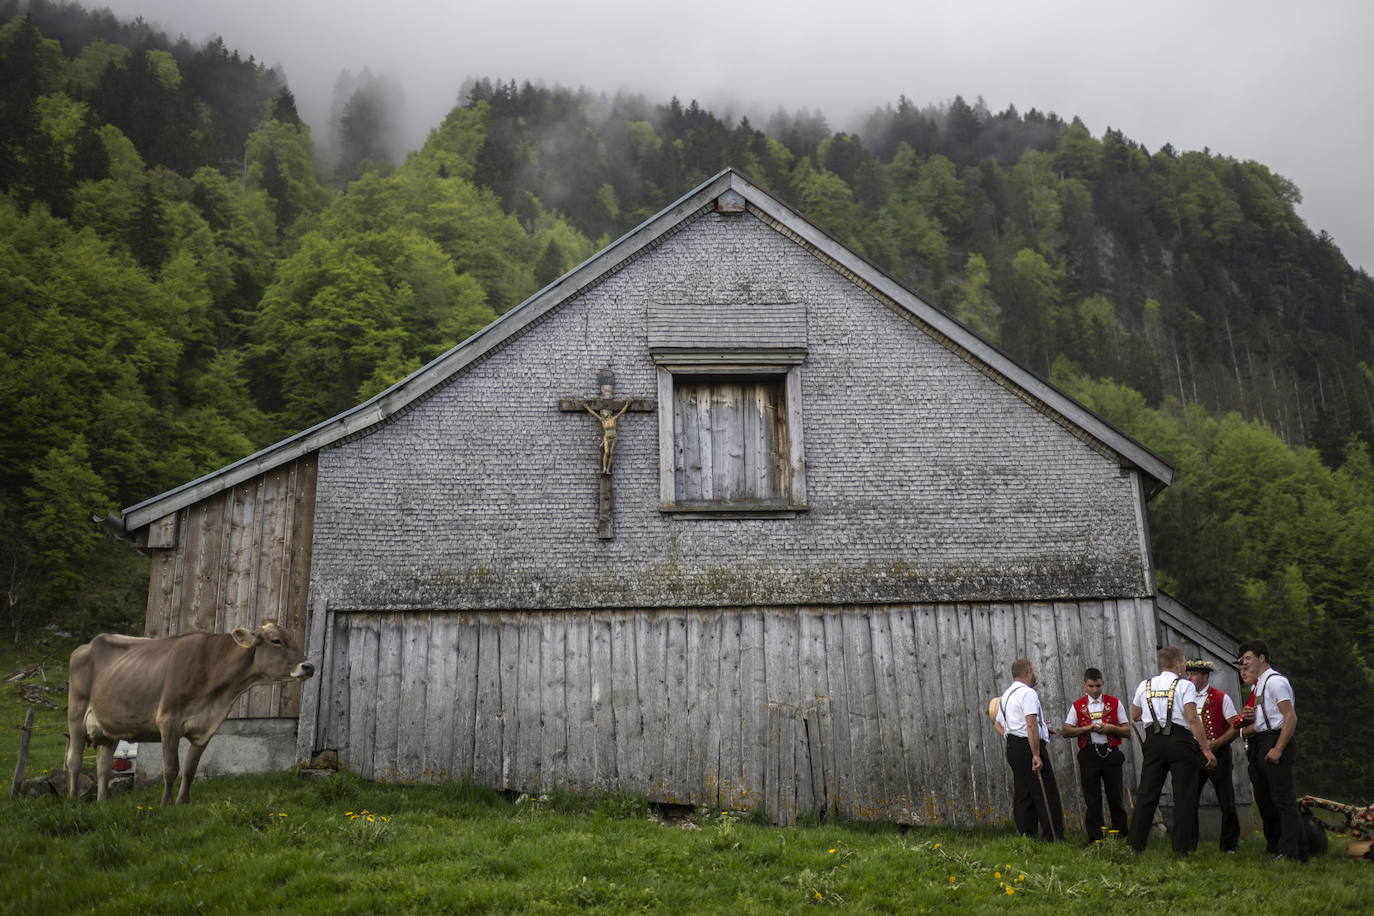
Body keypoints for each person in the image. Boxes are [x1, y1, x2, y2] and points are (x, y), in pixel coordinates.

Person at [1127, 646, 1216, 855]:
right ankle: (1181, 848)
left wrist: (1153, 712)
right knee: (1184, 795)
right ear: (1177, 663)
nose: (1184, 666)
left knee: (1147, 793)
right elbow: (1192, 718)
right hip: (1180, 741)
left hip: (1153, 741)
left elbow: (1135, 714)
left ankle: (1135, 846)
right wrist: (1205, 749)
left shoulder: (1145, 685)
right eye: (1183, 662)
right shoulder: (1185, 685)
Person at [1238, 638, 1308, 861]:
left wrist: (1278, 748)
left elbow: (1290, 717)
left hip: (1277, 739)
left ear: (1262, 658)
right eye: (1243, 659)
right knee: (1267, 799)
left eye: (1248, 658)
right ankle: (1276, 846)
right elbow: (1262, 721)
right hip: (1263, 739)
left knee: (1283, 799)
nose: (1244, 663)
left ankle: (1292, 852)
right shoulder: (1259, 685)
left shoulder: (1276, 681)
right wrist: (1249, 722)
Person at [996, 659, 1065, 841]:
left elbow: (997, 723)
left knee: (1024, 792)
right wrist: (1035, 754)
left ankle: (1027, 836)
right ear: (1027, 672)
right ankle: (1053, 838)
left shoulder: (1006, 695)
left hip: (1013, 747)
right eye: (1033, 671)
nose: (1035, 674)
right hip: (1028, 747)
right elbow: (1031, 724)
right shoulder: (1028, 693)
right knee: (1045, 792)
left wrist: (1012, 737)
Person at [1062, 667, 1131, 842]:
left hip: (1111, 753)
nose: (1095, 690)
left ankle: (1121, 837)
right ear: (1084, 685)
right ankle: (1096, 839)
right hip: (1089, 754)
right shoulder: (1078, 706)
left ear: (1103, 684)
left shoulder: (1114, 703)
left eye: (1098, 686)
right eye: (1091, 686)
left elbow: (1127, 730)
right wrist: (1086, 729)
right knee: (1092, 800)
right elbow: (1066, 731)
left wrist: (1111, 728)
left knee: (1115, 797)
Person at [1183, 659, 1240, 852]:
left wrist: (1217, 743)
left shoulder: (1221, 697)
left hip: (1219, 752)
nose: (1189, 678)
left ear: (1205, 676)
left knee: (1226, 799)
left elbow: (1235, 727)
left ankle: (1229, 846)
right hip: (1193, 754)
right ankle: (1189, 845)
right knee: (1189, 800)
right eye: (1187, 674)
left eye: (1193, 674)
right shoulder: (1184, 697)